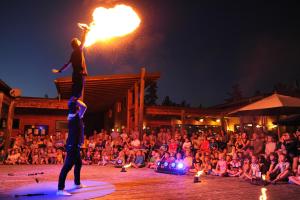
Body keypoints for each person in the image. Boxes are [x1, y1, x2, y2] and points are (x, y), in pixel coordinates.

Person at [57, 99, 87, 196]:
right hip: (72, 146)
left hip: (76, 145)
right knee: (67, 167)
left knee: (78, 163)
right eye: (78, 109)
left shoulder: (78, 118)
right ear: (76, 109)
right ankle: (60, 189)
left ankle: (77, 183)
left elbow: (83, 108)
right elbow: (84, 107)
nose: (79, 110)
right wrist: (76, 100)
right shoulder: (72, 116)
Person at [52, 25, 89, 99]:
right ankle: (75, 107)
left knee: (75, 94)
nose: (79, 42)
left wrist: (59, 71)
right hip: (80, 75)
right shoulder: (78, 50)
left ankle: (73, 105)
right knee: (78, 95)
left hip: (75, 76)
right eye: (78, 42)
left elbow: (67, 64)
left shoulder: (73, 54)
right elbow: (83, 41)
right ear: (77, 44)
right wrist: (85, 31)